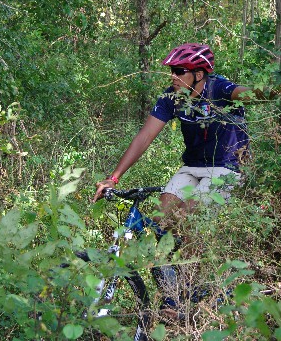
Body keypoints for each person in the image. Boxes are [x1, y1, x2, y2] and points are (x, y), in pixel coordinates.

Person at [92, 43, 271, 319]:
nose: (173, 77)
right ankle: (173, 287)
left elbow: (243, 93)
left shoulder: (217, 88)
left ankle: (186, 295)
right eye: (172, 72)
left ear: (199, 74)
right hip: (192, 166)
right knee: (162, 218)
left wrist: (271, 91)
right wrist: (114, 177)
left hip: (226, 167)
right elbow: (144, 136)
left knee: (192, 218)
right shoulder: (172, 97)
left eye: (179, 71)